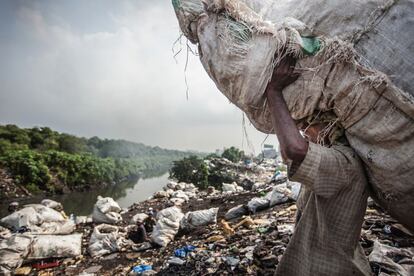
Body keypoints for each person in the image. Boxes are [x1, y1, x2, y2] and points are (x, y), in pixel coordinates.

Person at [266, 55, 371, 276]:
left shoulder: (345, 163)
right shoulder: (336, 158)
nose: (304, 131)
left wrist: (273, 91)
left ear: (329, 125)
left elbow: (295, 149)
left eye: (309, 125)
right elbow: (290, 151)